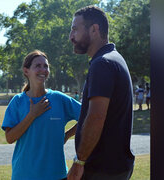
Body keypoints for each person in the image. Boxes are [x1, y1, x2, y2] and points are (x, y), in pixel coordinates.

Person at [68, 5, 135, 180]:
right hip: (115, 167)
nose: (71, 37)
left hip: (102, 170)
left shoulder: (102, 64)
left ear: (94, 29)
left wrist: (79, 162)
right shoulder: (114, 58)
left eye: (75, 29)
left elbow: (96, 117)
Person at [1, 50, 81, 180]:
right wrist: (32, 115)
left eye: (46, 66)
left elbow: (88, 116)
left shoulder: (59, 98)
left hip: (56, 174)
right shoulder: (18, 101)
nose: (43, 69)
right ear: (26, 71)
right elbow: (10, 138)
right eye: (38, 66)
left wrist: (67, 135)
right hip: (24, 175)